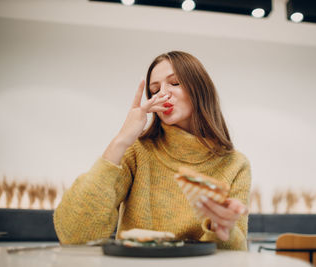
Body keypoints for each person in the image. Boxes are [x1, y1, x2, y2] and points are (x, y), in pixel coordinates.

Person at [53, 51, 252, 250]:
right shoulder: (138, 152)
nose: (162, 94)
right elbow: (74, 235)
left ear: (200, 89)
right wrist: (121, 139)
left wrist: (222, 228)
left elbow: (235, 254)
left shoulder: (235, 164)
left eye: (175, 83)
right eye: (154, 90)